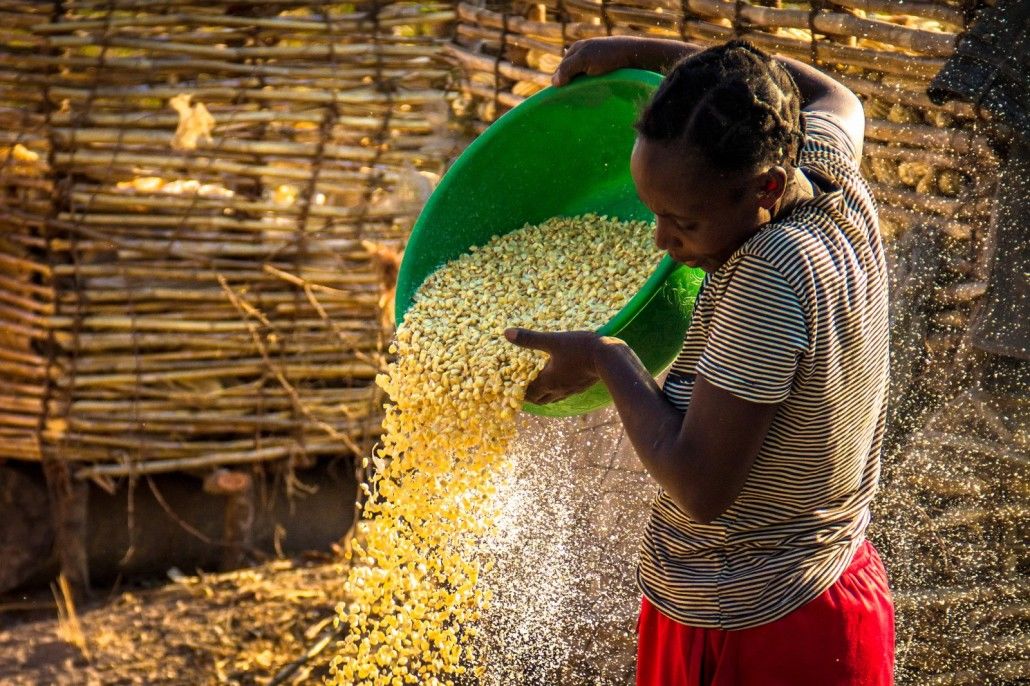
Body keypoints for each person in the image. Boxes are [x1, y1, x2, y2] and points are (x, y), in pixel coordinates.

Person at [505, 37, 895, 685]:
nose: (662, 240)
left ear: (765, 187)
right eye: (653, 213)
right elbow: (832, 95)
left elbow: (701, 486)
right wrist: (637, 52)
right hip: (831, 582)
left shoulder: (769, 275)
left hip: (757, 624)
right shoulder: (832, 178)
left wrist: (608, 359)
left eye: (682, 222)